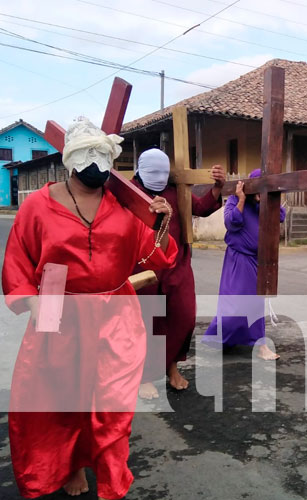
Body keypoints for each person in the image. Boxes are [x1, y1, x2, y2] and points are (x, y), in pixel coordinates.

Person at [1, 117, 177, 499]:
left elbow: (153, 255)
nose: (97, 164)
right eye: (88, 155)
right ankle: (72, 466)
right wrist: (35, 304)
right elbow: (17, 264)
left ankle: (112, 474)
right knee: (62, 401)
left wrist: (162, 223)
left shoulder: (123, 208)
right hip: (57, 311)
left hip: (115, 315)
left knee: (111, 403)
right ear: (70, 159)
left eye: (104, 155)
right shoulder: (37, 207)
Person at [132, 148, 225, 400]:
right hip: (142, 266)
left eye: (163, 173)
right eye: (152, 173)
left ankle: (172, 365)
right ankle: (144, 375)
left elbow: (203, 208)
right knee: (148, 321)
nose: (158, 178)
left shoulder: (175, 191)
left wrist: (217, 187)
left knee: (182, 316)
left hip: (178, 263)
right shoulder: (128, 192)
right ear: (139, 170)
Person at [204, 169, 285, 360]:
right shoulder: (235, 199)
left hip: (259, 261)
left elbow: (280, 216)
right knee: (233, 305)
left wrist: (267, 201)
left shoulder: (266, 204)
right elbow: (231, 223)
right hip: (238, 259)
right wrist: (241, 199)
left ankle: (260, 346)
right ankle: (222, 339)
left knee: (255, 303)